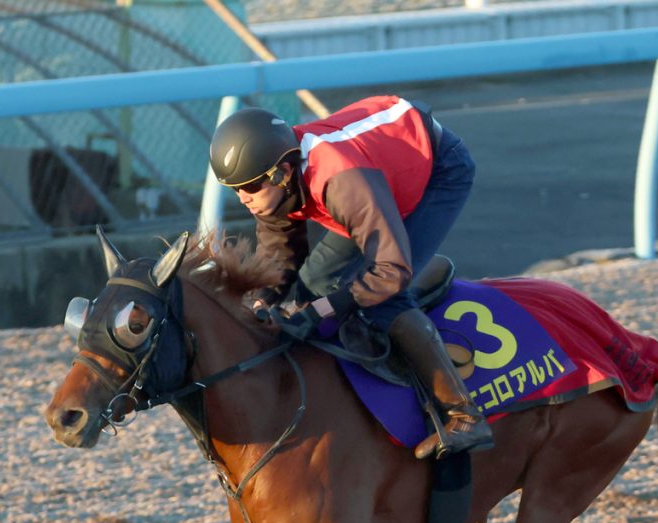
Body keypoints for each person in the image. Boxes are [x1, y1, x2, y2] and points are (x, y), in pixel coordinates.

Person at [209, 96, 493, 460]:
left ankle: (463, 414)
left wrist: (325, 308)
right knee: (303, 292)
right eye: (235, 190)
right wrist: (263, 299)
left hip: (435, 172)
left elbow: (391, 273)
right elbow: (280, 256)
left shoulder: (342, 182)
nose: (242, 199)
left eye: (249, 188)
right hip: (370, 182)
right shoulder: (277, 176)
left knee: (384, 298)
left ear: (281, 172)